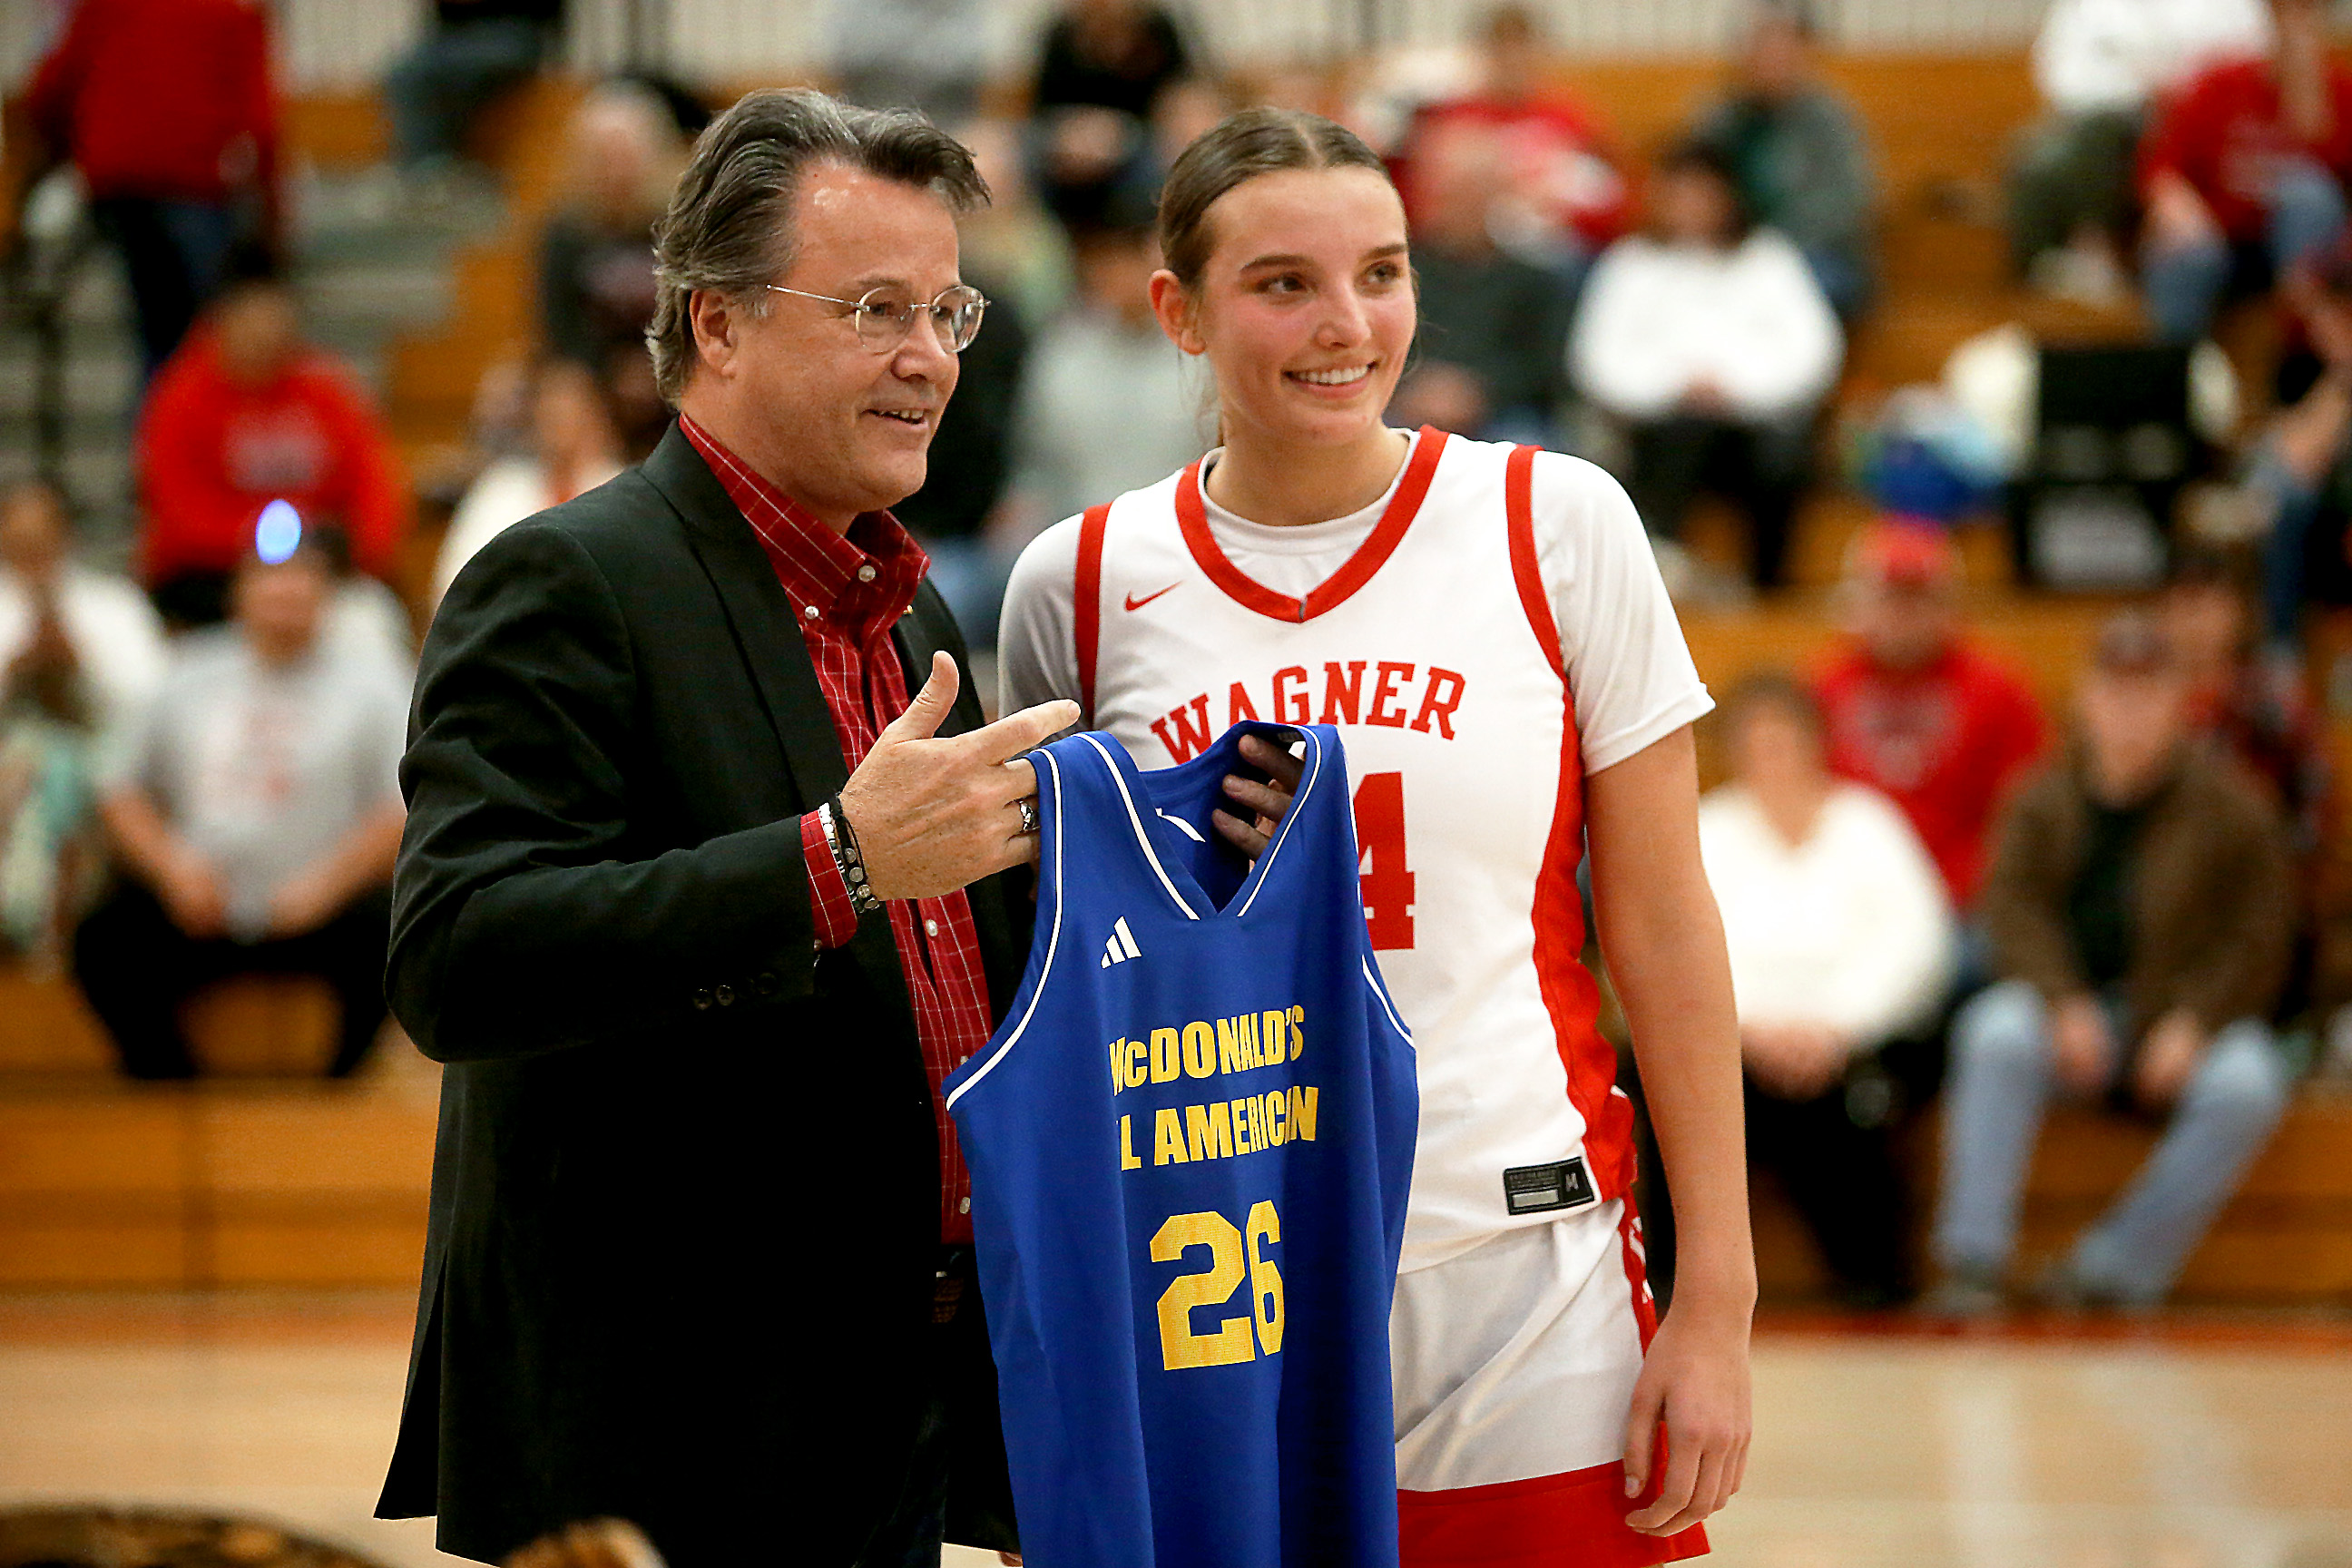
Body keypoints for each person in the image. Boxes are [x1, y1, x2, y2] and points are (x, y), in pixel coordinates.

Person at [371, 88, 1187, 1568]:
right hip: (662, 1432)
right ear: (719, 324)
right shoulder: (562, 580)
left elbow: (962, 974)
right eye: (877, 306)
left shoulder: (911, 603)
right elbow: (457, 956)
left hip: (896, 1411)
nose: (930, 356)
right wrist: (836, 862)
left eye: (950, 309)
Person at [1000, 106, 1750, 1565]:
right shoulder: (1077, 585)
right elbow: (1055, 987)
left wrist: (1719, 1296)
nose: (1347, 323)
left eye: (1382, 273)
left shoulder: (1557, 523)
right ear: (1180, 311)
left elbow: (1663, 927)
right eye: (1283, 282)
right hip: (1215, 1277)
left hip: (1528, 1267)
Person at [1932, 611, 2296, 1312]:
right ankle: (1972, 1264)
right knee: (1994, 1032)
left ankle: (2112, 1272)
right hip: (2070, 1018)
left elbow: (2261, 935)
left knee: (2250, 1084)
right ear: (2088, 699)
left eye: (2148, 691)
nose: (2130, 710)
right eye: (2115, 690)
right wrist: (2061, 1000)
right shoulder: (2040, 796)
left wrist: (2195, 1020)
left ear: (2179, 704)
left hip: (2180, 1022)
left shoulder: (2234, 807)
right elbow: (2007, 911)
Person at [72, 529, 407, 1080]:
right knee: (104, 937)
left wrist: (325, 885)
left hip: (320, 904)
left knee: (399, 930)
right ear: (239, 590)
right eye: (270, 578)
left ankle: (341, 1089)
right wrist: (171, 868)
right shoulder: (183, 672)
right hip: (200, 901)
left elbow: (399, 805)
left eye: (303, 579)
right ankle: (167, 1082)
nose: (286, 593)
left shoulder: (375, 681)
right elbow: (118, 787)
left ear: (328, 593)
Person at [1698, 674, 1953, 1308]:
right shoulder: (1709, 830)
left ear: (1816, 745)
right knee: (1687, 1091)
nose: (1772, 760)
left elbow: (1916, 943)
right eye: (1757, 745)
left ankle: (1875, 1284)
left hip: (1851, 1043)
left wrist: (1835, 1026)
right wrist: (1753, 1028)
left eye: (1784, 742)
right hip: (1738, 1044)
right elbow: (1688, 950)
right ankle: (1682, 1281)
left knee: (1859, 1106)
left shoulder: (1868, 824)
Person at [1569, 140, 1841, 592]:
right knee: (1678, 439)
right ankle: (1660, 572)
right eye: (1680, 193)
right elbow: (1597, 360)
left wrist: (1736, 389)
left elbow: (1813, 352)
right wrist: (1674, 387)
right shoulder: (1632, 264)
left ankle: (1770, 590)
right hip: (1660, 428)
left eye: (1704, 193)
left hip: (1752, 426)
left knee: (1783, 462)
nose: (1692, 206)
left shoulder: (1768, 260)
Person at [136, 253, 409, 628]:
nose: (265, 333)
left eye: (275, 318)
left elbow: (373, 482)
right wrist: (276, 540)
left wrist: (363, 551)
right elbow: (178, 512)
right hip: (213, 575)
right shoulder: (179, 396)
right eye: (252, 319)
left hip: (317, 567)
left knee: (374, 610)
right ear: (222, 320)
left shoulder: (326, 389)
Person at [22, 0, 279, 377]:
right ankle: (190, 425)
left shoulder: (105, 7)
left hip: (120, 188)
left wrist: (69, 149)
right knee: (210, 343)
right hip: (192, 185)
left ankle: (154, 427)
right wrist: (273, 213)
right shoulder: (231, 10)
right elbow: (263, 123)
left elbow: (51, 90)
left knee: (158, 337)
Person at [1810, 521, 2049, 916]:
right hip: (1846, 903)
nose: (1904, 615)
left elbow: (2024, 816)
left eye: (1919, 598)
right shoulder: (1820, 690)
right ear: (1858, 604)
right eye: (1890, 598)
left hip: (1965, 904)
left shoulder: (2000, 692)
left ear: (1949, 605)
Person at [0, 480, 168, 963]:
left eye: (41, 538)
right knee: (36, 768)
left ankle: (47, 932)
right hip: (13, 765)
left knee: (62, 770)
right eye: (18, 539)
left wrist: (84, 667)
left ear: (65, 537)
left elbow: (155, 703)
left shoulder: (115, 606)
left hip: (105, 758)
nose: (31, 551)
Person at [2009, 0, 2269, 301]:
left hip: (2209, 125)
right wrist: (2141, 89)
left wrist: (2177, 91)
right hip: (2119, 122)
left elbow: (2252, 65)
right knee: (2040, 155)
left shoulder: (2232, 7)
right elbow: (2062, 77)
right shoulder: (2088, 7)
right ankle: (2084, 253)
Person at [2137, 0, 2352, 345]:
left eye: (2308, 13)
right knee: (2183, 254)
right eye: (2284, 13)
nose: (2295, 26)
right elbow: (2162, 171)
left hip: (2299, 257)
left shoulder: (2339, 93)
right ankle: (2178, 372)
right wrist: (2180, 210)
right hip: (2219, 244)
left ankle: (2300, 366)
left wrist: (2310, 99)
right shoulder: (2219, 84)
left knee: (2310, 195)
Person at [1006, 220, 1202, 553]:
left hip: (1183, 535)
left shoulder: (1203, 349)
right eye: (1104, 259)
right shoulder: (1062, 348)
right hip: (1073, 534)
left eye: (1128, 257)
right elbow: (1035, 460)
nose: (1114, 273)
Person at [1396, 4, 1633, 271]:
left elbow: (1613, 205)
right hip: (1465, 256)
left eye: (1522, 49)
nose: (1513, 60)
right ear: (1483, 52)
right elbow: (1417, 205)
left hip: (1553, 258)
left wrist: (1561, 211)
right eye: (1502, 49)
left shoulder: (1572, 119)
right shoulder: (1451, 121)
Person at [1386, 117, 1576, 446]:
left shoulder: (1536, 279)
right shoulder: (1394, 272)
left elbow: (1548, 369)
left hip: (1503, 413)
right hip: (1405, 404)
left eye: (1473, 189)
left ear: (1497, 193)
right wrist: (1415, 386)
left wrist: (1477, 392)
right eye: (1449, 190)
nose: (1460, 203)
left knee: (1534, 455)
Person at [1688, 0, 1877, 320]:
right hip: (1725, 252)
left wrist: (1768, 251)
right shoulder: (1718, 119)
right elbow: (1691, 183)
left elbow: (1850, 201)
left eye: (1783, 48)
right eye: (1760, 48)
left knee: (1808, 286)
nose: (1771, 59)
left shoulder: (1831, 120)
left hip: (1812, 253)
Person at [536, 83, 682, 459]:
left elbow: (695, 308)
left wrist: (655, 367)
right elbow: (558, 324)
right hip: (594, 376)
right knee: (553, 393)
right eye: (604, 158)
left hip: (672, 366)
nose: (616, 170)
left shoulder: (679, 227)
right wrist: (606, 372)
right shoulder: (564, 234)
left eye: (626, 156)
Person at [431, 360, 625, 614]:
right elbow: (454, 579)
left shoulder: (622, 491)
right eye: (550, 406)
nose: (558, 419)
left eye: (569, 407)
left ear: (595, 414)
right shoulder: (499, 488)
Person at [1028, 0, 1192, 229]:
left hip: (1141, 141)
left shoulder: (1157, 29)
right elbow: (1043, 109)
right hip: (1071, 146)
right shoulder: (1061, 33)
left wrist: (1121, 135)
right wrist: (1077, 136)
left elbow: (1177, 97)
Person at [384, 0, 565, 182]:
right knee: (405, 73)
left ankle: (442, 171)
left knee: (438, 72)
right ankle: (428, 170)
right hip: (454, 36)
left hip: (514, 30)